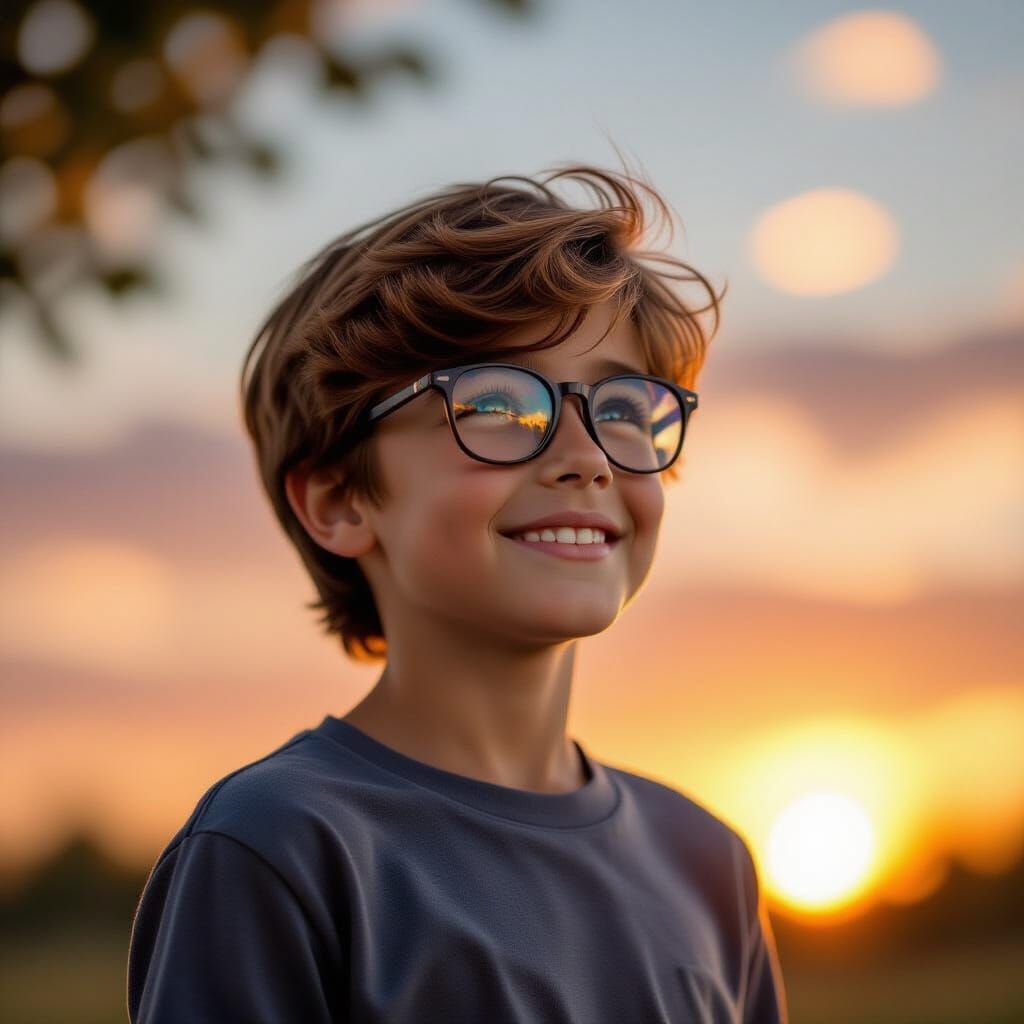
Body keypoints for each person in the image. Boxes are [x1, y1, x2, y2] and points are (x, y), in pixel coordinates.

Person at [126, 162, 788, 1023]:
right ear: (340, 500)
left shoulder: (708, 863)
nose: (587, 455)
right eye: (501, 405)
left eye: (624, 409)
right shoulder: (280, 845)